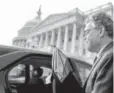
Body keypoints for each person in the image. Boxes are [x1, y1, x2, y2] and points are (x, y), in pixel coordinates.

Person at [83, 12, 113, 93]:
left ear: (100, 31)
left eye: (86, 32)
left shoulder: (110, 57)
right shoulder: (103, 56)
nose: (84, 37)